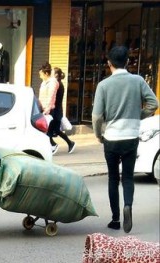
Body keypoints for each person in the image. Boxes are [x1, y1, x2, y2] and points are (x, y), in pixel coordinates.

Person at [92, 46, 158, 234]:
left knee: (113, 178)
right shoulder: (137, 81)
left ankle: (115, 219)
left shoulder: (103, 85)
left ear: (109, 63)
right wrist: (139, 115)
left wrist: (98, 135)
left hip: (111, 139)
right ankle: (128, 205)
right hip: (131, 137)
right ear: (127, 62)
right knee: (128, 177)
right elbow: (154, 103)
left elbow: (96, 117)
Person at [38, 62, 75, 154]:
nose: (52, 74)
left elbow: (51, 98)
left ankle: (56, 145)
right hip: (51, 109)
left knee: (52, 131)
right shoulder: (47, 83)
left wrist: (48, 109)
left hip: (54, 110)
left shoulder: (56, 84)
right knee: (53, 130)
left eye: (53, 73)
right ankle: (65, 144)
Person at [50, 66, 76, 154]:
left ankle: (53, 144)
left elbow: (54, 99)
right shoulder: (57, 83)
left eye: (52, 72)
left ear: (56, 74)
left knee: (50, 130)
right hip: (56, 111)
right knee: (54, 130)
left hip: (56, 111)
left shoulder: (58, 84)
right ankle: (69, 143)